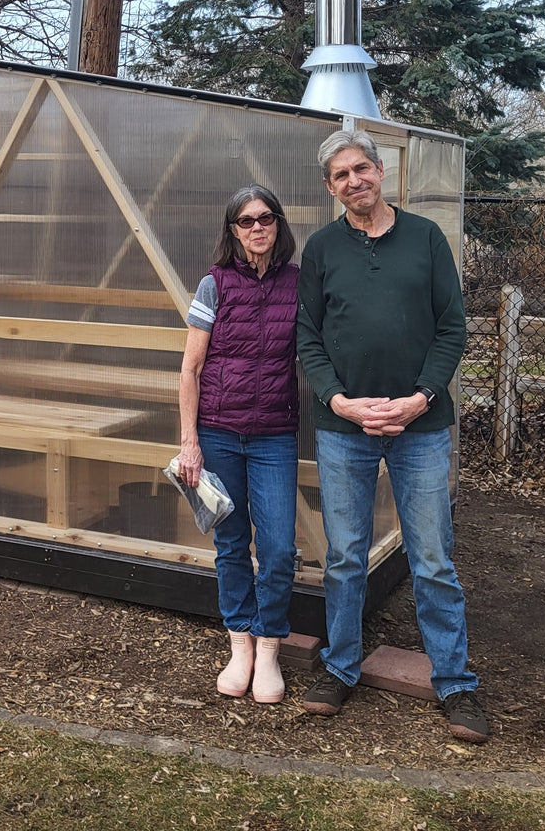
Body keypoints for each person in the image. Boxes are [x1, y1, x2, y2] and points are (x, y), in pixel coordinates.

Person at [294, 128, 490, 743]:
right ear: (330, 187)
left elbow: (451, 328)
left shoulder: (425, 238)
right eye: (341, 175)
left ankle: (454, 682)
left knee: (432, 559)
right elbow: (308, 338)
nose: (354, 180)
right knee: (345, 556)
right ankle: (339, 667)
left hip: (420, 426)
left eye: (362, 168)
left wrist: (420, 397)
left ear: (381, 171)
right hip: (345, 428)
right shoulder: (321, 249)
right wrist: (340, 402)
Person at [176, 185, 301, 703]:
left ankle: (269, 646)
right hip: (218, 433)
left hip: (274, 435)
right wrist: (190, 443)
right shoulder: (215, 284)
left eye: (265, 218)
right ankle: (240, 643)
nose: (257, 228)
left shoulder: (298, 283)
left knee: (277, 548)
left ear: (278, 224)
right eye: (245, 221)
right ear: (233, 231)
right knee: (230, 544)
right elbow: (191, 368)